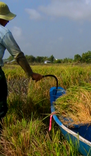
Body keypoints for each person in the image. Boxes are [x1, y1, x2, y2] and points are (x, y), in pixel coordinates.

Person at [0, 2, 43, 132]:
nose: (7, 22)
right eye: (6, 18)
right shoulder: (3, 32)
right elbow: (18, 55)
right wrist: (31, 74)